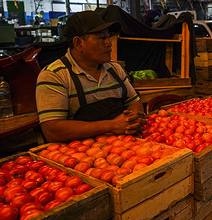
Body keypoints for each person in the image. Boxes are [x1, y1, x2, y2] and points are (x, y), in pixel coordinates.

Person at [36, 11, 145, 142]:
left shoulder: (115, 69)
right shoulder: (54, 76)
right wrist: (111, 126)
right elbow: (52, 131)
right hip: (77, 156)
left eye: (108, 36)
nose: (109, 43)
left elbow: (134, 102)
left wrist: (132, 120)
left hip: (122, 149)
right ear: (78, 43)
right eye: (101, 38)